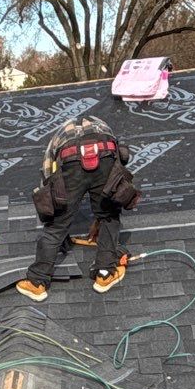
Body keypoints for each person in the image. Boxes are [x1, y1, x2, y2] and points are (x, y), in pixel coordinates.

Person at [14, 115, 141, 301]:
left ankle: (36, 283)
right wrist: (102, 215)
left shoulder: (59, 136)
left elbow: (48, 175)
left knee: (57, 225)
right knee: (109, 217)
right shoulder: (104, 128)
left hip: (70, 159)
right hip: (106, 155)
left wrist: (55, 219)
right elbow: (116, 172)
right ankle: (105, 273)